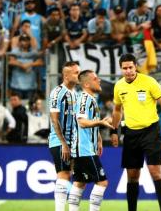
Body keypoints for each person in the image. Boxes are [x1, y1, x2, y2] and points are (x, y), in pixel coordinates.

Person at [111, 53, 161, 211]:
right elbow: (117, 110)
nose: (128, 71)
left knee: (155, 171)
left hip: (150, 131)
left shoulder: (149, 81)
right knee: (132, 175)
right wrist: (114, 130)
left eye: (130, 67)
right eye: (124, 68)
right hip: (130, 133)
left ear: (136, 66)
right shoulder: (119, 86)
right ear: (121, 69)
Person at [68, 70, 113, 211]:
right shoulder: (84, 99)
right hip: (84, 148)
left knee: (80, 183)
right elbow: (81, 122)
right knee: (102, 182)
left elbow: (89, 121)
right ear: (86, 84)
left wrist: (98, 139)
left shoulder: (91, 99)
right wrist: (100, 123)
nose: (99, 80)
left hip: (83, 148)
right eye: (95, 78)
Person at [48, 61, 80, 211]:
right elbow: (54, 119)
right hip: (60, 141)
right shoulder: (57, 92)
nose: (78, 75)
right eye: (75, 73)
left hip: (73, 142)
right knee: (64, 175)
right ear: (66, 75)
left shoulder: (75, 93)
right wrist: (63, 143)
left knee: (71, 175)